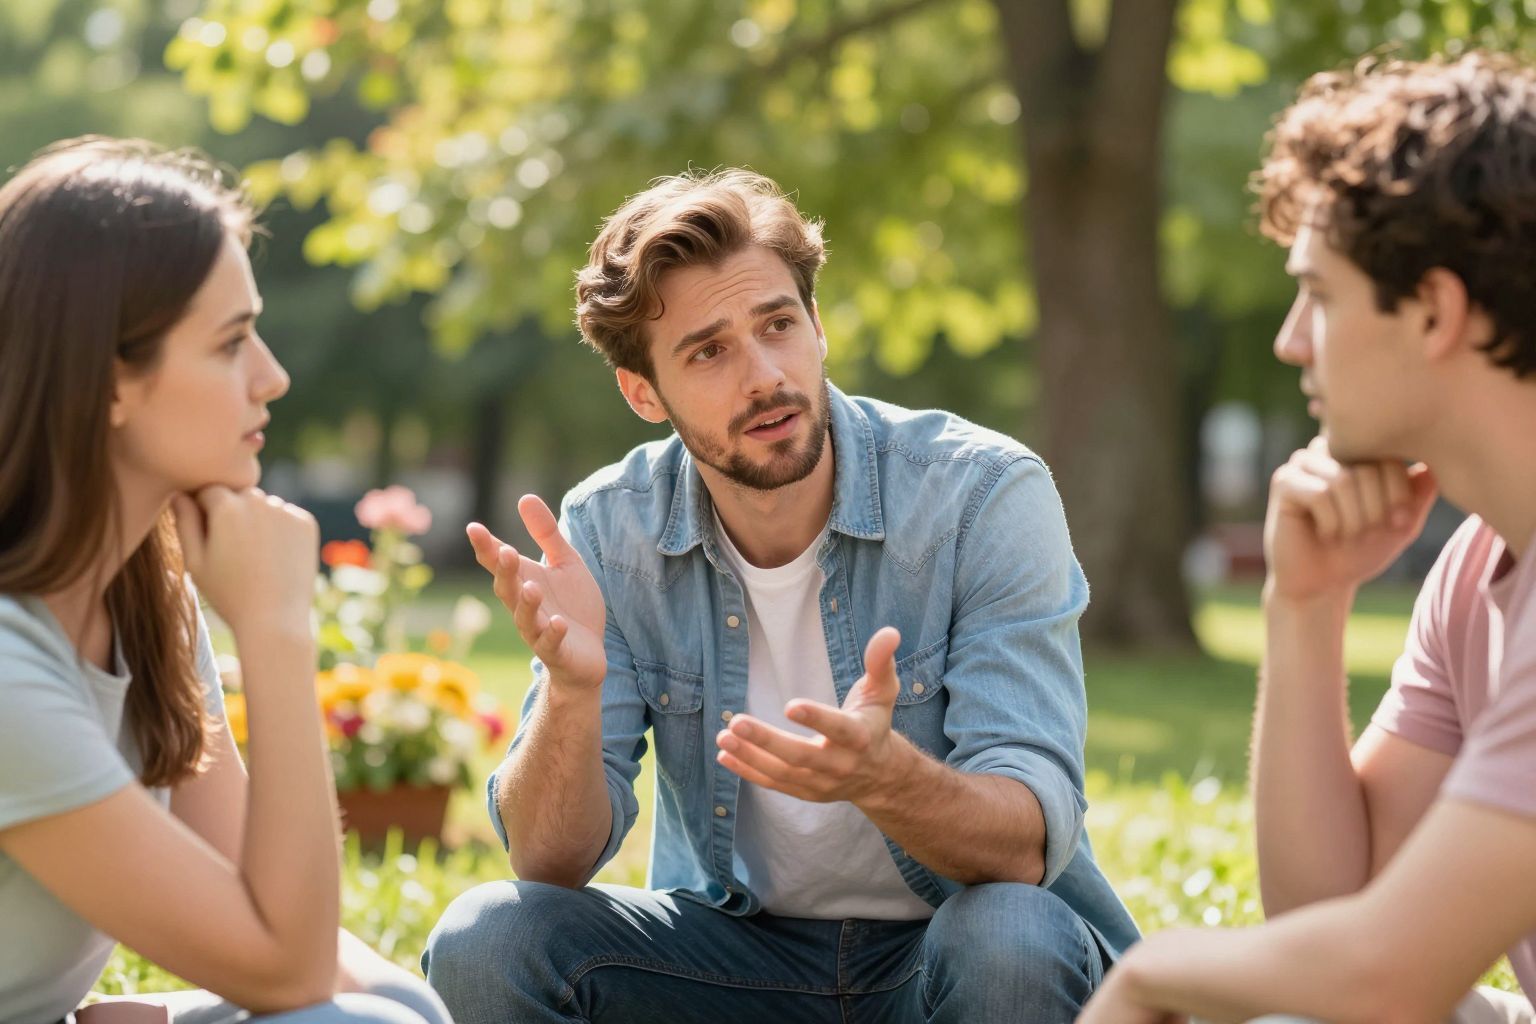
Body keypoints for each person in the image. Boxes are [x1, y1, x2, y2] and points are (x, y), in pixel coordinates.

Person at [422, 167, 1140, 1022]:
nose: (765, 375)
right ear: (643, 391)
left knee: (1011, 936)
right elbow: (548, 864)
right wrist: (574, 696)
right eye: (709, 350)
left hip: (951, 955)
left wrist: (882, 778)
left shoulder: (981, 496)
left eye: (777, 325)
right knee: (488, 935)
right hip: (735, 962)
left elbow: (1027, 842)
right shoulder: (610, 529)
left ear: (818, 326)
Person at [1080, 51, 1536, 1024]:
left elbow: (1382, 972)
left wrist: (1149, 976)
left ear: (1434, 310)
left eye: (1320, 296)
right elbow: (1336, 920)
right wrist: (1306, 602)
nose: (1291, 339)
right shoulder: (1477, 572)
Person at [0, 137, 452, 1024]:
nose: (272, 377)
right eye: (232, 342)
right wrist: (277, 630)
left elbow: (286, 925)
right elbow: (284, 971)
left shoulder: (141, 604)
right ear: (109, 380)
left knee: (396, 1004)